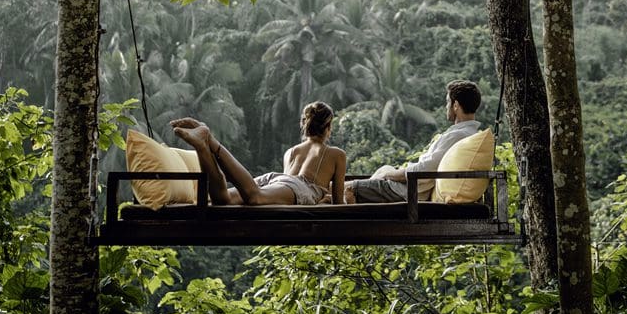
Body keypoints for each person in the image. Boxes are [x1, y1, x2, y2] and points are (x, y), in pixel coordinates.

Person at [171, 101, 347, 206]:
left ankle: (202, 147)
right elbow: (339, 202)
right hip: (300, 188)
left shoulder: (291, 152)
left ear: (305, 124)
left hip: (275, 179)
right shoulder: (337, 154)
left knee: (222, 199)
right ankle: (210, 140)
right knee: (255, 197)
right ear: (328, 127)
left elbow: (286, 183)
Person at [344, 80, 482, 203]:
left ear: (456, 105)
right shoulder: (467, 134)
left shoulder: (458, 135)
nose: (446, 106)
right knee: (383, 169)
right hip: (410, 187)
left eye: (447, 102)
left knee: (342, 188)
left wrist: (391, 175)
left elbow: (425, 169)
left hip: (408, 191)